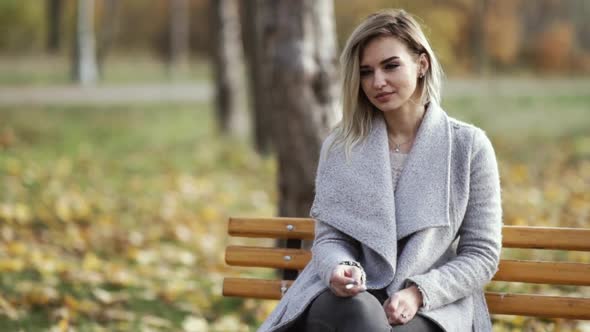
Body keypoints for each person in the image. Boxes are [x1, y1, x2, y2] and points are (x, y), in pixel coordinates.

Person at [259, 8, 502, 332]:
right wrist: (338, 268)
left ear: (421, 64)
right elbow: (330, 239)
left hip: (432, 305)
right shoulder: (342, 145)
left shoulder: (469, 147)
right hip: (347, 300)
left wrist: (419, 293)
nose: (378, 82)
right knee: (359, 315)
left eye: (390, 66)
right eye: (366, 72)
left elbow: (482, 254)